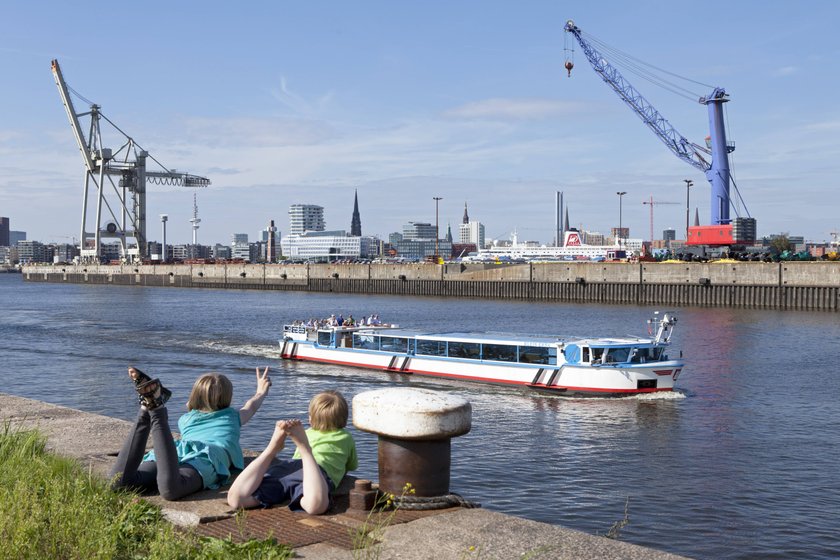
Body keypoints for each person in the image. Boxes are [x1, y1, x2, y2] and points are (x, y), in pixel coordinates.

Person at [110, 366, 272, 500]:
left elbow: (190, 403)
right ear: (227, 398)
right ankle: (157, 409)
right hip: (207, 457)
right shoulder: (233, 417)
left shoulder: (187, 418)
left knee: (119, 483)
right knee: (171, 490)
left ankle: (147, 409)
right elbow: (251, 405)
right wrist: (261, 391)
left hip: (175, 451)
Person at [227, 390, 358, 515]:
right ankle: (305, 451)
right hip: (316, 472)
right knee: (315, 506)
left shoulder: (305, 433)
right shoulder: (346, 437)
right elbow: (350, 466)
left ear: (310, 419)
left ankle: (271, 449)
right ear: (345, 419)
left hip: (290, 467)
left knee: (236, 500)